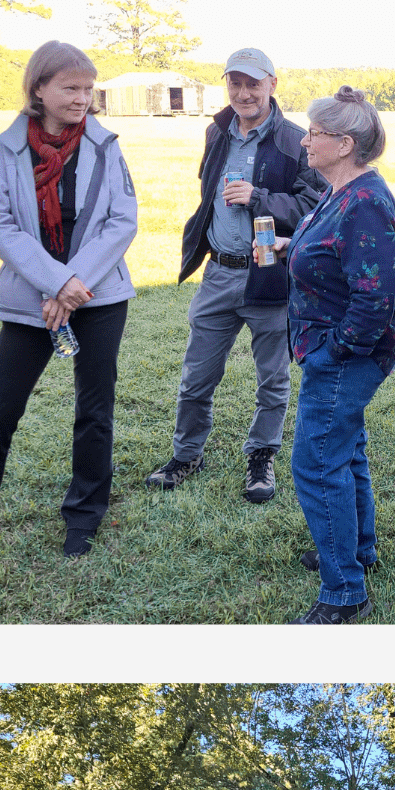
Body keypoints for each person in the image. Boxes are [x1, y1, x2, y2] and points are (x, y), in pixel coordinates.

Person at [0, 41, 137, 558]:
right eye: (70, 88)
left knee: (94, 412)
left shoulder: (105, 145)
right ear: (39, 88)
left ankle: (83, 518)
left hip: (97, 296)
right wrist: (54, 283)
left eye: (88, 88)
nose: (83, 98)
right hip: (30, 300)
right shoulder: (1, 150)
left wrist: (71, 284)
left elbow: (123, 221)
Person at [148, 47, 325, 507]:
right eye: (235, 83)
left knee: (273, 379)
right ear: (226, 84)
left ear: (272, 84)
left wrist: (259, 197)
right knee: (196, 376)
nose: (243, 93)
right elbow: (206, 189)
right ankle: (186, 455)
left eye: (253, 83)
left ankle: (261, 458)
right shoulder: (217, 131)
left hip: (269, 273)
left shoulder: (295, 139)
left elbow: (313, 208)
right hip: (219, 273)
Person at [281, 86, 395, 623]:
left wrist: (334, 353)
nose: (305, 140)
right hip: (332, 350)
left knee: (316, 463)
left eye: (315, 133)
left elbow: (375, 296)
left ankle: (343, 589)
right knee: (346, 451)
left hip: (344, 355)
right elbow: (339, 257)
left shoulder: (365, 202)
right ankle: (356, 550)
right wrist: (296, 248)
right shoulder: (340, 191)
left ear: (345, 144)